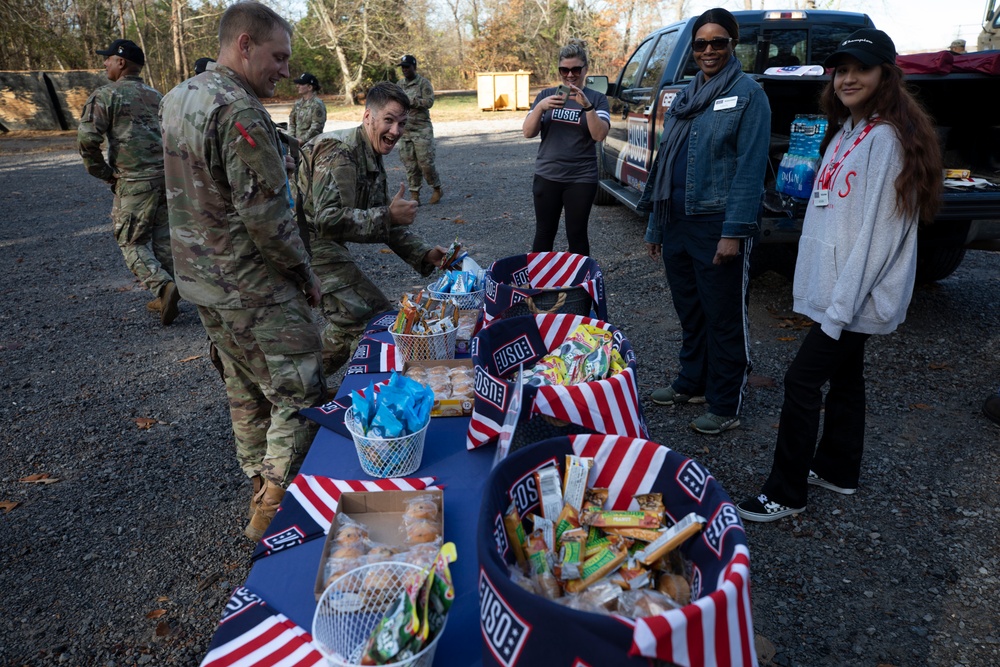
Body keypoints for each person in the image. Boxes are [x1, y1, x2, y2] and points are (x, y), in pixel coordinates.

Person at [736, 29, 943, 522]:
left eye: (862, 69)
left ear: (885, 77)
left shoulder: (888, 142)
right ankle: (838, 468)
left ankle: (785, 492)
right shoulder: (848, 132)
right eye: (842, 70)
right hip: (838, 291)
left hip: (855, 295)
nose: (848, 78)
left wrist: (839, 308)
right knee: (847, 376)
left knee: (802, 380)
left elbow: (880, 238)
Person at [159, 1, 326, 542]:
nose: (284, 69)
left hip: (201, 280)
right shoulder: (239, 110)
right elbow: (268, 217)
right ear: (245, 44)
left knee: (244, 388)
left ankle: (258, 480)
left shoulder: (178, 97)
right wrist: (305, 276)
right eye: (278, 57)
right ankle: (275, 504)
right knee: (299, 387)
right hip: (251, 283)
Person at [640, 8, 770, 435]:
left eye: (719, 42)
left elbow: (750, 170)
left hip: (717, 225)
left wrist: (733, 233)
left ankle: (726, 401)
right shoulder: (685, 95)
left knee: (723, 314)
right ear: (693, 49)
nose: (709, 50)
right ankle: (692, 382)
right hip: (676, 221)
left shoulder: (749, 94)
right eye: (701, 44)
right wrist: (657, 227)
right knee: (690, 310)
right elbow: (666, 163)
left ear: (734, 45)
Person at [297, 82, 447, 377]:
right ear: (368, 117)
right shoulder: (340, 153)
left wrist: (425, 253)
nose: (396, 131)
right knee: (374, 315)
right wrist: (388, 216)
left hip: (319, 240)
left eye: (402, 123)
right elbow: (327, 220)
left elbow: (384, 223)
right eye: (388, 120)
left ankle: (300, 386)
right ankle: (368, 394)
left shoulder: (371, 154)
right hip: (301, 240)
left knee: (349, 320)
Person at [78, 39, 179, 326]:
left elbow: (87, 140)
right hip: (164, 179)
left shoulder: (105, 95)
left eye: (107, 58)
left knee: (130, 241)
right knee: (163, 240)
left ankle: (163, 286)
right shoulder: (157, 95)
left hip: (134, 182)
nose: (104, 63)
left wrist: (104, 172)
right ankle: (176, 290)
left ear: (121, 62)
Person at [522, 40, 610, 257]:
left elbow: (599, 135)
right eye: (565, 70)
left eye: (576, 69)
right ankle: (540, 284)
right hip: (548, 174)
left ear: (585, 70)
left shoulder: (597, 99)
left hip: (581, 178)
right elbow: (528, 132)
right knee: (544, 232)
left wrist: (587, 106)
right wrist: (540, 108)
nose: (570, 75)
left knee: (577, 233)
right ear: (559, 70)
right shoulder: (546, 96)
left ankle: (579, 287)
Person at [396, 55, 443, 206]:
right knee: (410, 164)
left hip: (422, 129)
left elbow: (429, 102)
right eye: (402, 67)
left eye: (407, 67)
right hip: (405, 130)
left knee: (426, 163)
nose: (404, 70)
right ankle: (414, 194)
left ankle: (436, 188)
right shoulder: (399, 85)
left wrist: (412, 102)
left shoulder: (423, 83)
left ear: (414, 67)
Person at [288, 72, 327, 144]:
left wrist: (302, 140)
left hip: (311, 145)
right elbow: (292, 123)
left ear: (310, 87)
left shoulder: (317, 104)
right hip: (295, 145)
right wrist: (291, 139)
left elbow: (316, 127)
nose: (297, 86)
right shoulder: (298, 103)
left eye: (301, 84)